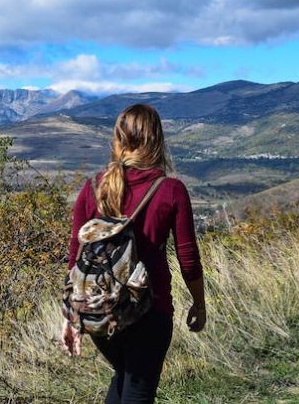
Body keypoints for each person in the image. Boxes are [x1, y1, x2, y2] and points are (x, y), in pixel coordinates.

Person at [62, 104, 206, 404]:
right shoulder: (170, 190)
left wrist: (71, 314)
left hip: (100, 311)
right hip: (150, 311)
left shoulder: (92, 187)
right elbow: (188, 258)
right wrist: (199, 304)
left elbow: (75, 257)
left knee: (125, 379)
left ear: (118, 139)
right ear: (157, 139)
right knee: (137, 391)